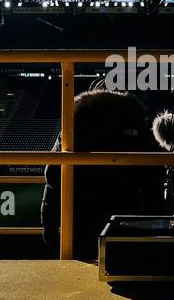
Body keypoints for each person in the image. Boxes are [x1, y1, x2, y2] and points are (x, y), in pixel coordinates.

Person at [41, 87, 164, 260]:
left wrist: (50, 229)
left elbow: (53, 178)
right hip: (125, 222)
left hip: (78, 225)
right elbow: (154, 177)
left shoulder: (72, 127)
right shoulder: (134, 125)